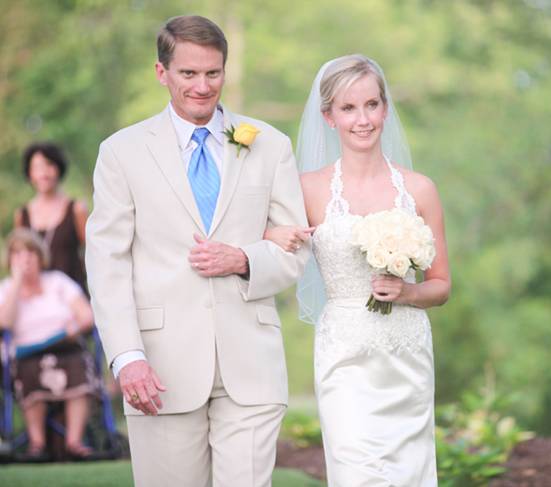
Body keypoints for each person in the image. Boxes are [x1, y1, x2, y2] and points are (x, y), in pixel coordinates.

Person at [85, 15, 309, 487]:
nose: (203, 86)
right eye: (189, 74)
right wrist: (127, 357)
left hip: (250, 363)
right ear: (161, 73)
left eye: (213, 73)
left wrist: (245, 259)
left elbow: (295, 249)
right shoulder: (121, 152)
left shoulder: (271, 145)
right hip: (159, 369)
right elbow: (107, 264)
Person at [265, 55, 451, 486]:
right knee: (356, 471)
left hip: (406, 356)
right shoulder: (306, 188)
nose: (362, 119)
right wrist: (272, 235)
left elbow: (441, 286)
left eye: (371, 105)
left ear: (385, 108)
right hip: (345, 353)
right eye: (348, 108)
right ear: (329, 117)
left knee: (409, 473)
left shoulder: (420, 189)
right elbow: (262, 237)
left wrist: (405, 293)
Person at [0, 228, 95, 460]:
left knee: (79, 365)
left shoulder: (58, 282)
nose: (26, 259)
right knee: (27, 370)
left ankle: (74, 442)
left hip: (65, 346)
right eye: (18, 254)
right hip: (25, 354)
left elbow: (86, 316)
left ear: (40, 256)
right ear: (10, 259)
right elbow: (5, 323)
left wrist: (74, 328)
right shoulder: (5, 289)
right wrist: (17, 283)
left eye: (30, 252)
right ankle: (37, 444)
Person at [14, 142, 88, 293]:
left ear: (58, 168)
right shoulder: (22, 215)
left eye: (48, 165)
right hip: (37, 299)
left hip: (73, 298)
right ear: (29, 173)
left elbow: (93, 252)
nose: (43, 173)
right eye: (36, 168)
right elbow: (19, 259)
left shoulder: (76, 209)